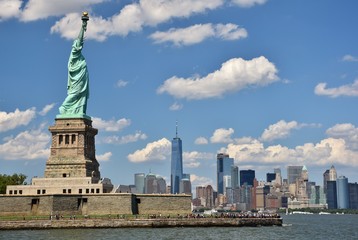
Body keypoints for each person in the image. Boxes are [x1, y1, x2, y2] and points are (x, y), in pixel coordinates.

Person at [59, 13, 90, 117]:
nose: (80, 45)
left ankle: (80, 111)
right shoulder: (74, 54)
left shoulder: (78, 56)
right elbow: (80, 40)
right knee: (75, 93)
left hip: (82, 77)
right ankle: (64, 107)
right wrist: (83, 25)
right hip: (77, 79)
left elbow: (80, 42)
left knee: (82, 94)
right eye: (78, 45)